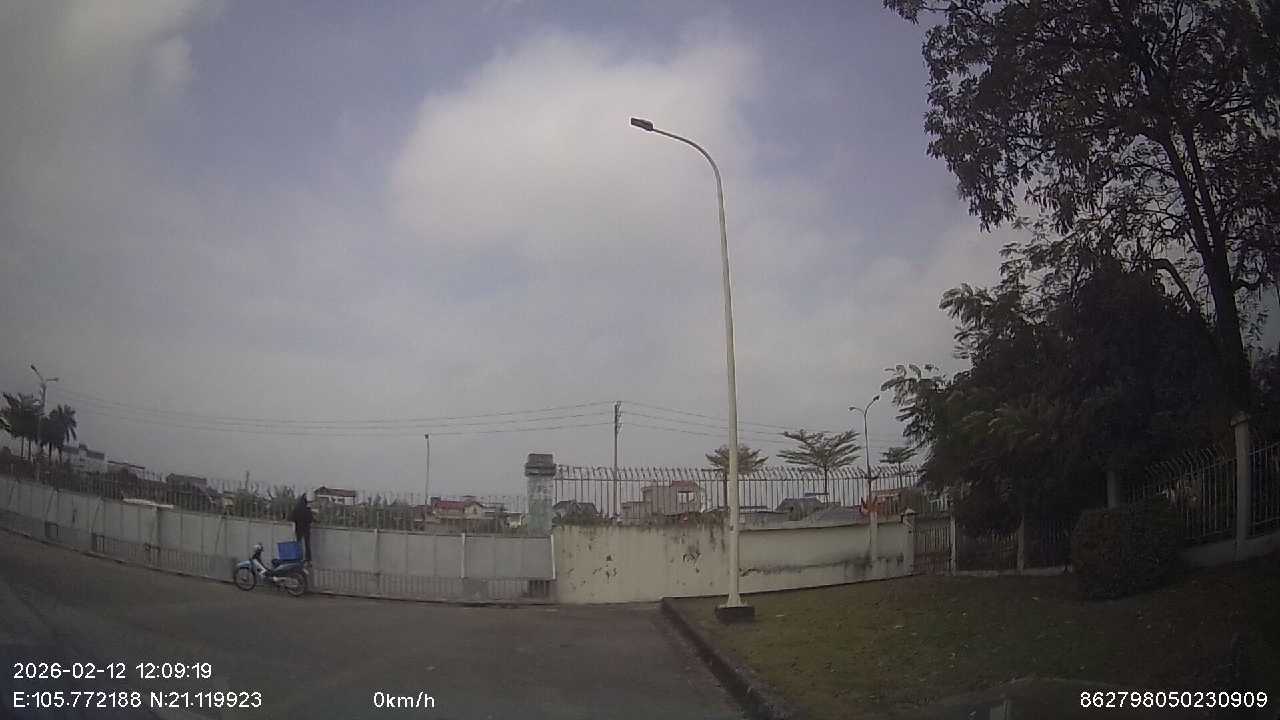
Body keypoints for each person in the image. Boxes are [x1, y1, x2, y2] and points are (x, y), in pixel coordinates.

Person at [289, 493, 315, 564]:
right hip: (306, 529)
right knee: (307, 544)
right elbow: (311, 519)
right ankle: (308, 559)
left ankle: (298, 558)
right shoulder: (307, 509)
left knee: (298, 544)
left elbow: (291, 518)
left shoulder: (296, 508)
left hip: (298, 529)